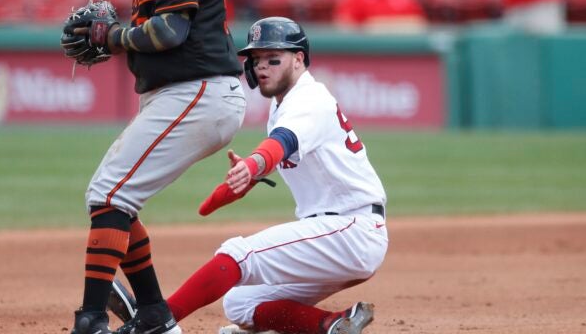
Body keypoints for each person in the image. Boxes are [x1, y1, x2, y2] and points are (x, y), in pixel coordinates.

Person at [110, 17, 388, 334]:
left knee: (239, 254)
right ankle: (333, 323)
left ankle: (158, 321)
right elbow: (281, 148)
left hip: (349, 230)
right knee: (240, 303)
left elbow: (283, 142)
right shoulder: (284, 104)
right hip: (338, 234)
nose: (262, 67)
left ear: (299, 60)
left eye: (273, 58)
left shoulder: (309, 99)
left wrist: (255, 165)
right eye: (256, 60)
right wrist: (243, 179)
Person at [66, 0, 245, 333]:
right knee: (115, 199)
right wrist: (121, 35)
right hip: (182, 94)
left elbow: (170, 32)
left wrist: (112, 35)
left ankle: (91, 320)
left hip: (199, 90)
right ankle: (152, 314)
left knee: (109, 192)